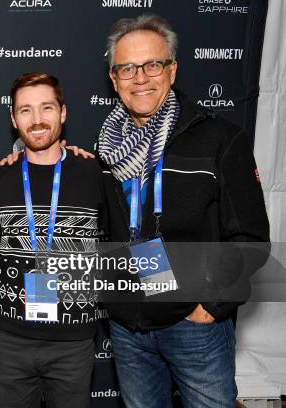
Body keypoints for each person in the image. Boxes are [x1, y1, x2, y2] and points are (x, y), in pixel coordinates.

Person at [96, 15, 270, 407]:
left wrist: (211, 305)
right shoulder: (106, 147)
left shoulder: (220, 139)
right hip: (127, 330)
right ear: (114, 79)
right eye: (127, 68)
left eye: (152, 64)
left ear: (172, 70)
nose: (140, 78)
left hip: (194, 327)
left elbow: (251, 239)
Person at [0, 72, 107, 408]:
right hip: (10, 339)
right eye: (25, 110)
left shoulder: (95, 172)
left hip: (73, 340)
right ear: (13, 118)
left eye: (46, 108)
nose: (36, 120)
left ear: (62, 113)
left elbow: (122, 239)